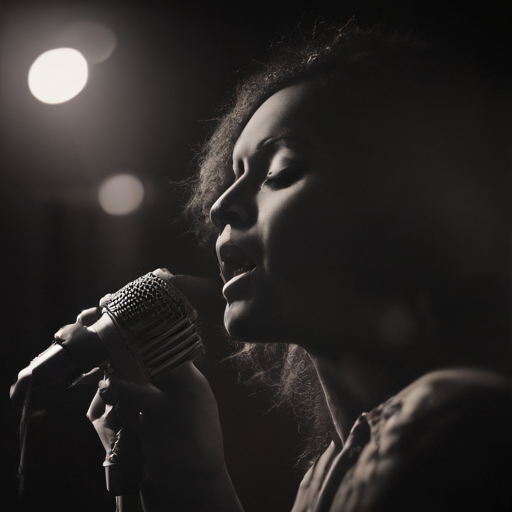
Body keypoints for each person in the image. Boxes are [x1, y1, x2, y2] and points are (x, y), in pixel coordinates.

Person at [86, 21, 512, 511]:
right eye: (233, 176)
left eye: (279, 171)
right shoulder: (327, 474)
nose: (221, 206)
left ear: (410, 205)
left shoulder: (452, 425)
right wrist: (188, 474)